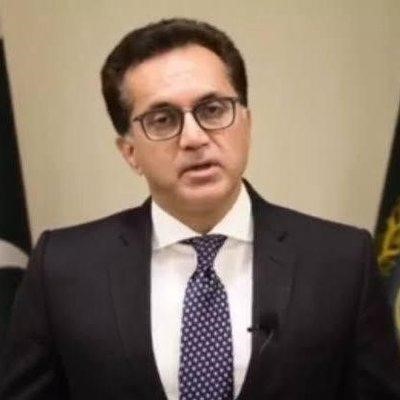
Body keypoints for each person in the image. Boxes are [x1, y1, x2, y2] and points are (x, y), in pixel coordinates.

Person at [1, 18, 400, 400]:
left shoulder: (342, 261)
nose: (194, 138)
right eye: (162, 119)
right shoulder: (62, 268)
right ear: (130, 152)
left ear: (246, 123)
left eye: (212, 110)